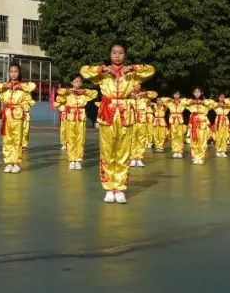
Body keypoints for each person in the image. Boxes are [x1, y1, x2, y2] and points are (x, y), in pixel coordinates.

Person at [80, 42, 154, 204]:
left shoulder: (131, 75)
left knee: (123, 151)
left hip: (125, 114)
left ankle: (119, 188)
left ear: (125, 55)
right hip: (108, 113)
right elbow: (84, 71)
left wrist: (133, 68)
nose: (117, 55)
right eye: (114, 52)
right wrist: (102, 69)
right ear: (109, 55)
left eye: (120, 53)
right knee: (107, 151)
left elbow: (150, 70)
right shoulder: (104, 74)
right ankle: (108, 187)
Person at [0, 64, 37, 173]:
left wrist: (19, 87)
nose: (13, 73)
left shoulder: (23, 88)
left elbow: (32, 90)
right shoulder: (5, 87)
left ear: (19, 73)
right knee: (7, 139)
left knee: (17, 139)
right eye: (11, 71)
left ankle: (16, 163)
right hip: (7, 116)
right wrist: (5, 86)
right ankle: (8, 162)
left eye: (16, 71)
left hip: (18, 116)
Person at [54, 75, 97, 169]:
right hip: (70, 118)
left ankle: (78, 160)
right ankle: (71, 159)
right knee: (71, 139)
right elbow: (58, 97)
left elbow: (94, 94)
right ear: (72, 83)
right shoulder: (68, 93)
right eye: (76, 81)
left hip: (81, 118)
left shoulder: (84, 94)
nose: (78, 83)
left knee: (80, 139)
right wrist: (69, 91)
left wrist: (84, 91)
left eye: (80, 82)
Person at [186, 88, 215, 164]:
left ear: (201, 93)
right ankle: (195, 156)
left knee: (202, 140)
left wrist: (202, 101)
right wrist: (192, 101)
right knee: (194, 140)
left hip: (202, 124)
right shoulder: (191, 103)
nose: (197, 93)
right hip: (194, 123)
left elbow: (212, 102)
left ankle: (201, 157)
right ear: (193, 93)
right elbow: (182, 102)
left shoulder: (205, 103)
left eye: (198, 92)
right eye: (195, 92)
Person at [131, 86, 157, 165]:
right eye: (135, 85)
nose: (137, 87)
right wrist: (129, 93)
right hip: (132, 121)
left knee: (141, 139)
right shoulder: (129, 99)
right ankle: (132, 158)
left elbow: (154, 94)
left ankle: (139, 158)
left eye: (138, 85)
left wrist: (145, 93)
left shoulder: (145, 100)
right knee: (132, 139)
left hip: (142, 122)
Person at [164, 90, 187, 159]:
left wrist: (181, 100)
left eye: (178, 94)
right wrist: (170, 99)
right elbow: (163, 100)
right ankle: (175, 151)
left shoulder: (182, 103)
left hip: (180, 121)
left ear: (180, 95)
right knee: (174, 136)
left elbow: (188, 101)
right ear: (173, 95)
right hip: (173, 121)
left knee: (180, 135)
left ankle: (179, 151)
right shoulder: (170, 103)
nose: (176, 95)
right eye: (175, 94)